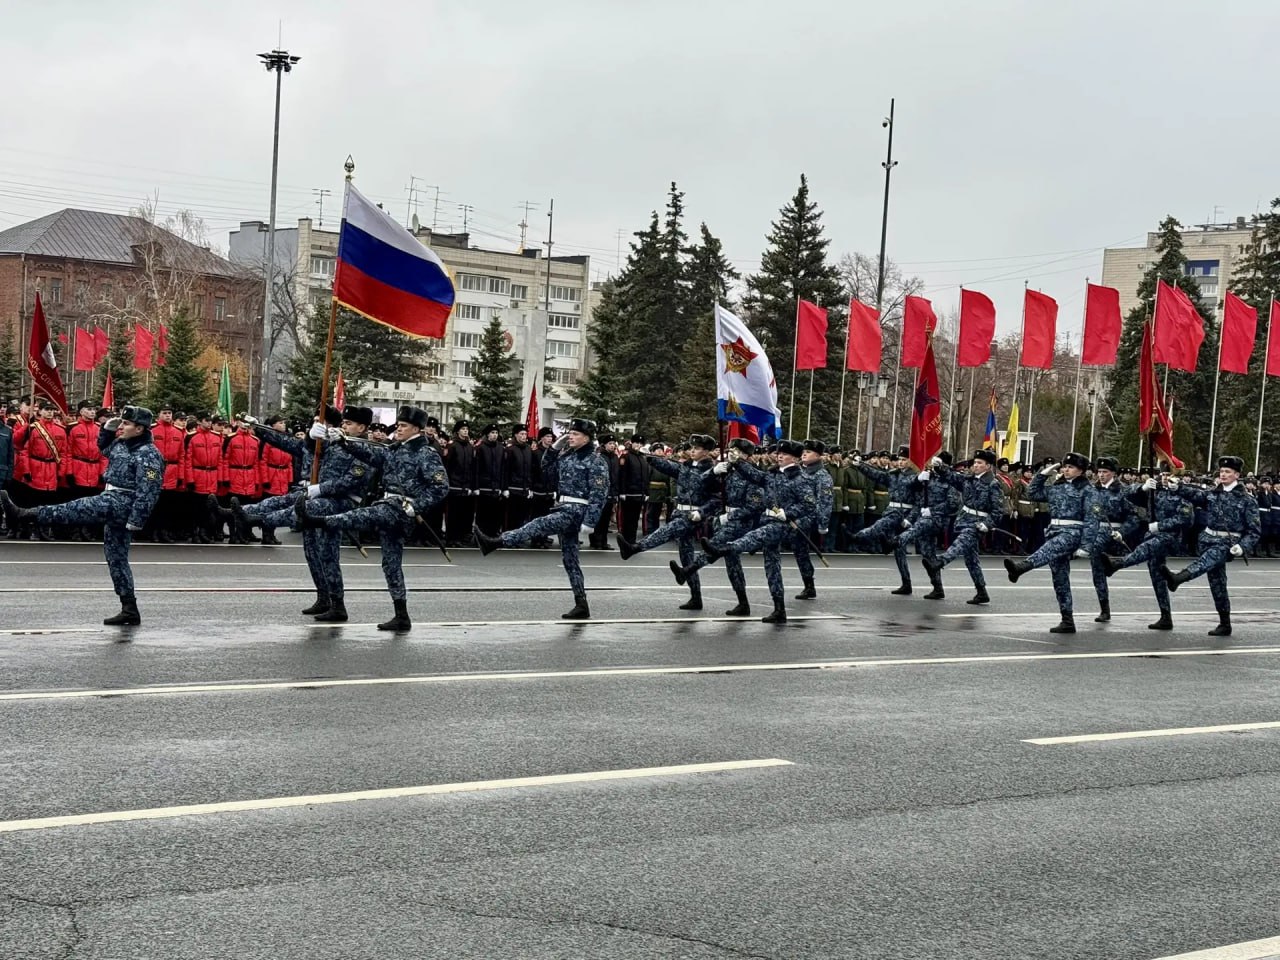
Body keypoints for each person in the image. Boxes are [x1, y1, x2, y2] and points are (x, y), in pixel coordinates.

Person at [3, 407, 162, 626]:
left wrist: (137, 518)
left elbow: (149, 490)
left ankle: (24, 514)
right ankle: (129, 609)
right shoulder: (122, 443)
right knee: (116, 558)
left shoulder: (149, 453)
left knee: (75, 508)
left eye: (126, 424)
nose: (122, 426)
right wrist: (107, 431)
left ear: (139, 429)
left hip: (122, 502)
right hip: (111, 495)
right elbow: (104, 449)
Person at [298, 406, 449, 632]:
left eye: (403, 426)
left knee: (366, 515)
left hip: (401, 508)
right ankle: (401, 615)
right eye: (398, 425)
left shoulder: (426, 453)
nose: (398, 429)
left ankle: (319, 520)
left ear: (416, 429)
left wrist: (416, 506)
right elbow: (369, 455)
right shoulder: (394, 449)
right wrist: (343, 442)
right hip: (389, 504)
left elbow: (441, 487)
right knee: (390, 563)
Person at [225, 406, 373, 621]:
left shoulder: (365, 449)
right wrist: (311, 437)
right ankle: (324, 598)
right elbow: (304, 447)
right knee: (312, 551)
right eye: (344, 423)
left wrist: (320, 488)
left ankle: (338, 605)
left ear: (361, 427)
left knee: (327, 553)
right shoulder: (336, 442)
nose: (345, 426)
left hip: (341, 503)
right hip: (320, 497)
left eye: (349, 424)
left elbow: (351, 480)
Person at [475, 419, 609, 620]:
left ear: (587, 438)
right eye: (570, 433)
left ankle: (497, 542)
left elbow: (600, 493)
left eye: (575, 434)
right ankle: (581, 604)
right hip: (563, 505)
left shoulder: (596, 461)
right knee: (570, 560)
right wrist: (554, 448)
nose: (571, 437)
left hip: (577, 510)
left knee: (538, 524)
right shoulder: (568, 455)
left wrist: (591, 521)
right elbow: (546, 467)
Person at [698, 438, 817, 624]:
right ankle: (779, 610)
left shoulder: (800, 479)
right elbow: (754, 475)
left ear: (795, 458)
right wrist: (737, 462)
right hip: (768, 519)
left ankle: (724, 549)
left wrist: (789, 513)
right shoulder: (773, 474)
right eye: (779, 453)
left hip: (782, 524)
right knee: (772, 568)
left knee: (754, 537)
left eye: (785, 454)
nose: (780, 456)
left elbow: (809, 504)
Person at [1161, 455, 1261, 637]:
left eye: (1228, 471)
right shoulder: (1213, 493)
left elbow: (1254, 531)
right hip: (1208, 540)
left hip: (1227, 544)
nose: (1223, 474)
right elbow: (1196, 494)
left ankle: (1179, 578)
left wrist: (1242, 546)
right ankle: (1225, 623)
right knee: (1217, 583)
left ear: (1237, 475)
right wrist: (1178, 487)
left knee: (1208, 559)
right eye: (1221, 471)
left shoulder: (1247, 500)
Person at [617, 433, 719, 611]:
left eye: (697, 448)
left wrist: (701, 512)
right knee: (687, 558)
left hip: (693, 516)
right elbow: (667, 466)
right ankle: (696, 597)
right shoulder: (686, 466)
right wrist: (649, 457)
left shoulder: (713, 472)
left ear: (706, 452)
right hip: (680, 512)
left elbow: (717, 499)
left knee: (667, 530)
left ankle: (635, 548)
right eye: (691, 448)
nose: (692, 451)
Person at [1002, 453, 1099, 634]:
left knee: (1049, 549)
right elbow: (1032, 493)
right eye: (1065, 466)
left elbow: (1092, 519)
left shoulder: (1088, 490)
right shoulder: (1057, 487)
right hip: (1054, 530)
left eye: (1071, 467)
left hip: (1072, 532)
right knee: (1059, 578)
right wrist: (1042, 474)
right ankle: (1067, 620)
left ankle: (1022, 567)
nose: (1066, 470)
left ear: (1081, 471)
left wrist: (1086, 546)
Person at [671, 436, 768, 616]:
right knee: (732, 564)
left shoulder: (753, 475)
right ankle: (743, 603)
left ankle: (688, 570)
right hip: (724, 519)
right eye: (732, 450)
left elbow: (754, 507)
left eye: (737, 452)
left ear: (747, 456)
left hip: (740, 522)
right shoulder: (727, 470)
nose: (732, 454)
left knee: (714, 545)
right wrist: (714, 472)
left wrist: (729, 516)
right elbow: (702, 483)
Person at [1102, 464, 1194, 630]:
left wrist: (1160, 525)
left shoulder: (1183, 492)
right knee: (1157, 576)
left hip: (1171, 536)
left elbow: (1187, 519)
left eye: (1169, 474)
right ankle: (1165, 616)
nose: (1165, 478)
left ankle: (1118, 563)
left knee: (1148, 547)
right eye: (1163, 474)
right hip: (1152, 534)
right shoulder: (1155, 490)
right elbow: (1123, 494)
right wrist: (1142, 488)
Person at [922, 449, 1007, 605]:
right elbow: (952, 477)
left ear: (988, 466)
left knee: (961, 541)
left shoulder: (993, 484)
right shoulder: (969, 478)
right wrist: (939, 467)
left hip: (978, 524)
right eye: (975, 462)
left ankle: (939, 562)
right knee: (971, 560)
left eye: (980, 463)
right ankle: (981, 592)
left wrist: (987, 524)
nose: (976, 465)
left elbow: (997, 511)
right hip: (964, 520)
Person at [849, 446, 920, 590]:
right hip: (892, 510)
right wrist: (860, 465)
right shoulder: (893, 475)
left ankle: (858, 537)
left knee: (883, 531)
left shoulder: (916, 478)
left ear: (911, 461)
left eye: (904, 460)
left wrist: (910, 519)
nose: (900, 462)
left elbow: (920, 502)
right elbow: (876, 474)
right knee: (895, 546)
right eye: (899, 459)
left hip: (904, 514)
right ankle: (906, 583)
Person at [1086, 456, 1140, 623]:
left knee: (1099, 560)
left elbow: (1134, 518)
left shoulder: (1122, 491)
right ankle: (1104, 609)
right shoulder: (1092, 490)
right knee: (1097, 572)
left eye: (1105, 472)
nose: (1101, 475)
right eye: (1099, 471)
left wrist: (1121, 532)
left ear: (1113, 474)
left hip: (1113, 534)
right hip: (1095, 533)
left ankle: (1114, 563)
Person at [897, 452, 958, 598]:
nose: (934, 465)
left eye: (938, 463)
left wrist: (932, 510)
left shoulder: (951, 479)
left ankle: (896, 541)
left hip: (938, 520)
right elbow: (911, 490)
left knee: (915, 534)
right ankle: (938, 588)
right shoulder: (929, 476)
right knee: (928, 555)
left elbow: (953, 504)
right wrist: (918, 479)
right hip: (924, 518)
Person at [794, 439, 833, 600]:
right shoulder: (798, 471)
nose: (804, 454)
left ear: (818, 456)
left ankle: (809, 585)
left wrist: (822, 524)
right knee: (799, 551)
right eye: (803, 452)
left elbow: (825, 501)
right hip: (794, 515)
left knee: (801, 551)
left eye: (808, 452)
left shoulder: (822, 475)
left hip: (809, 518)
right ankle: (808, 585)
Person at [444, 419, 475, 546]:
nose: (465, 431)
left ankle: (462, 537)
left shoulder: (470, 447)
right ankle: (451, 538)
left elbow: (472, 467)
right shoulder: (452, 445)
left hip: (466, 487)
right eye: (463, 429)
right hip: (454, 486)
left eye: (467, 429)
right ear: (457, 431)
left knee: (464, 514)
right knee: (453, 514)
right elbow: (447, 465)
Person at [473, 423, 506, 537]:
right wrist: (476, 486)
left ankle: (493, 535)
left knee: (495, 514)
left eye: (496, 433)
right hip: (484, 488)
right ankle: (481, 536)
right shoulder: (481, 448)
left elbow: (503, 469)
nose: (494, 435)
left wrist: (502, 487)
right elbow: (476, 469)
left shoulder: (500, 448)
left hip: (496, 488)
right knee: (483, 514)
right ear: (487, 434)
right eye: (492, 433)